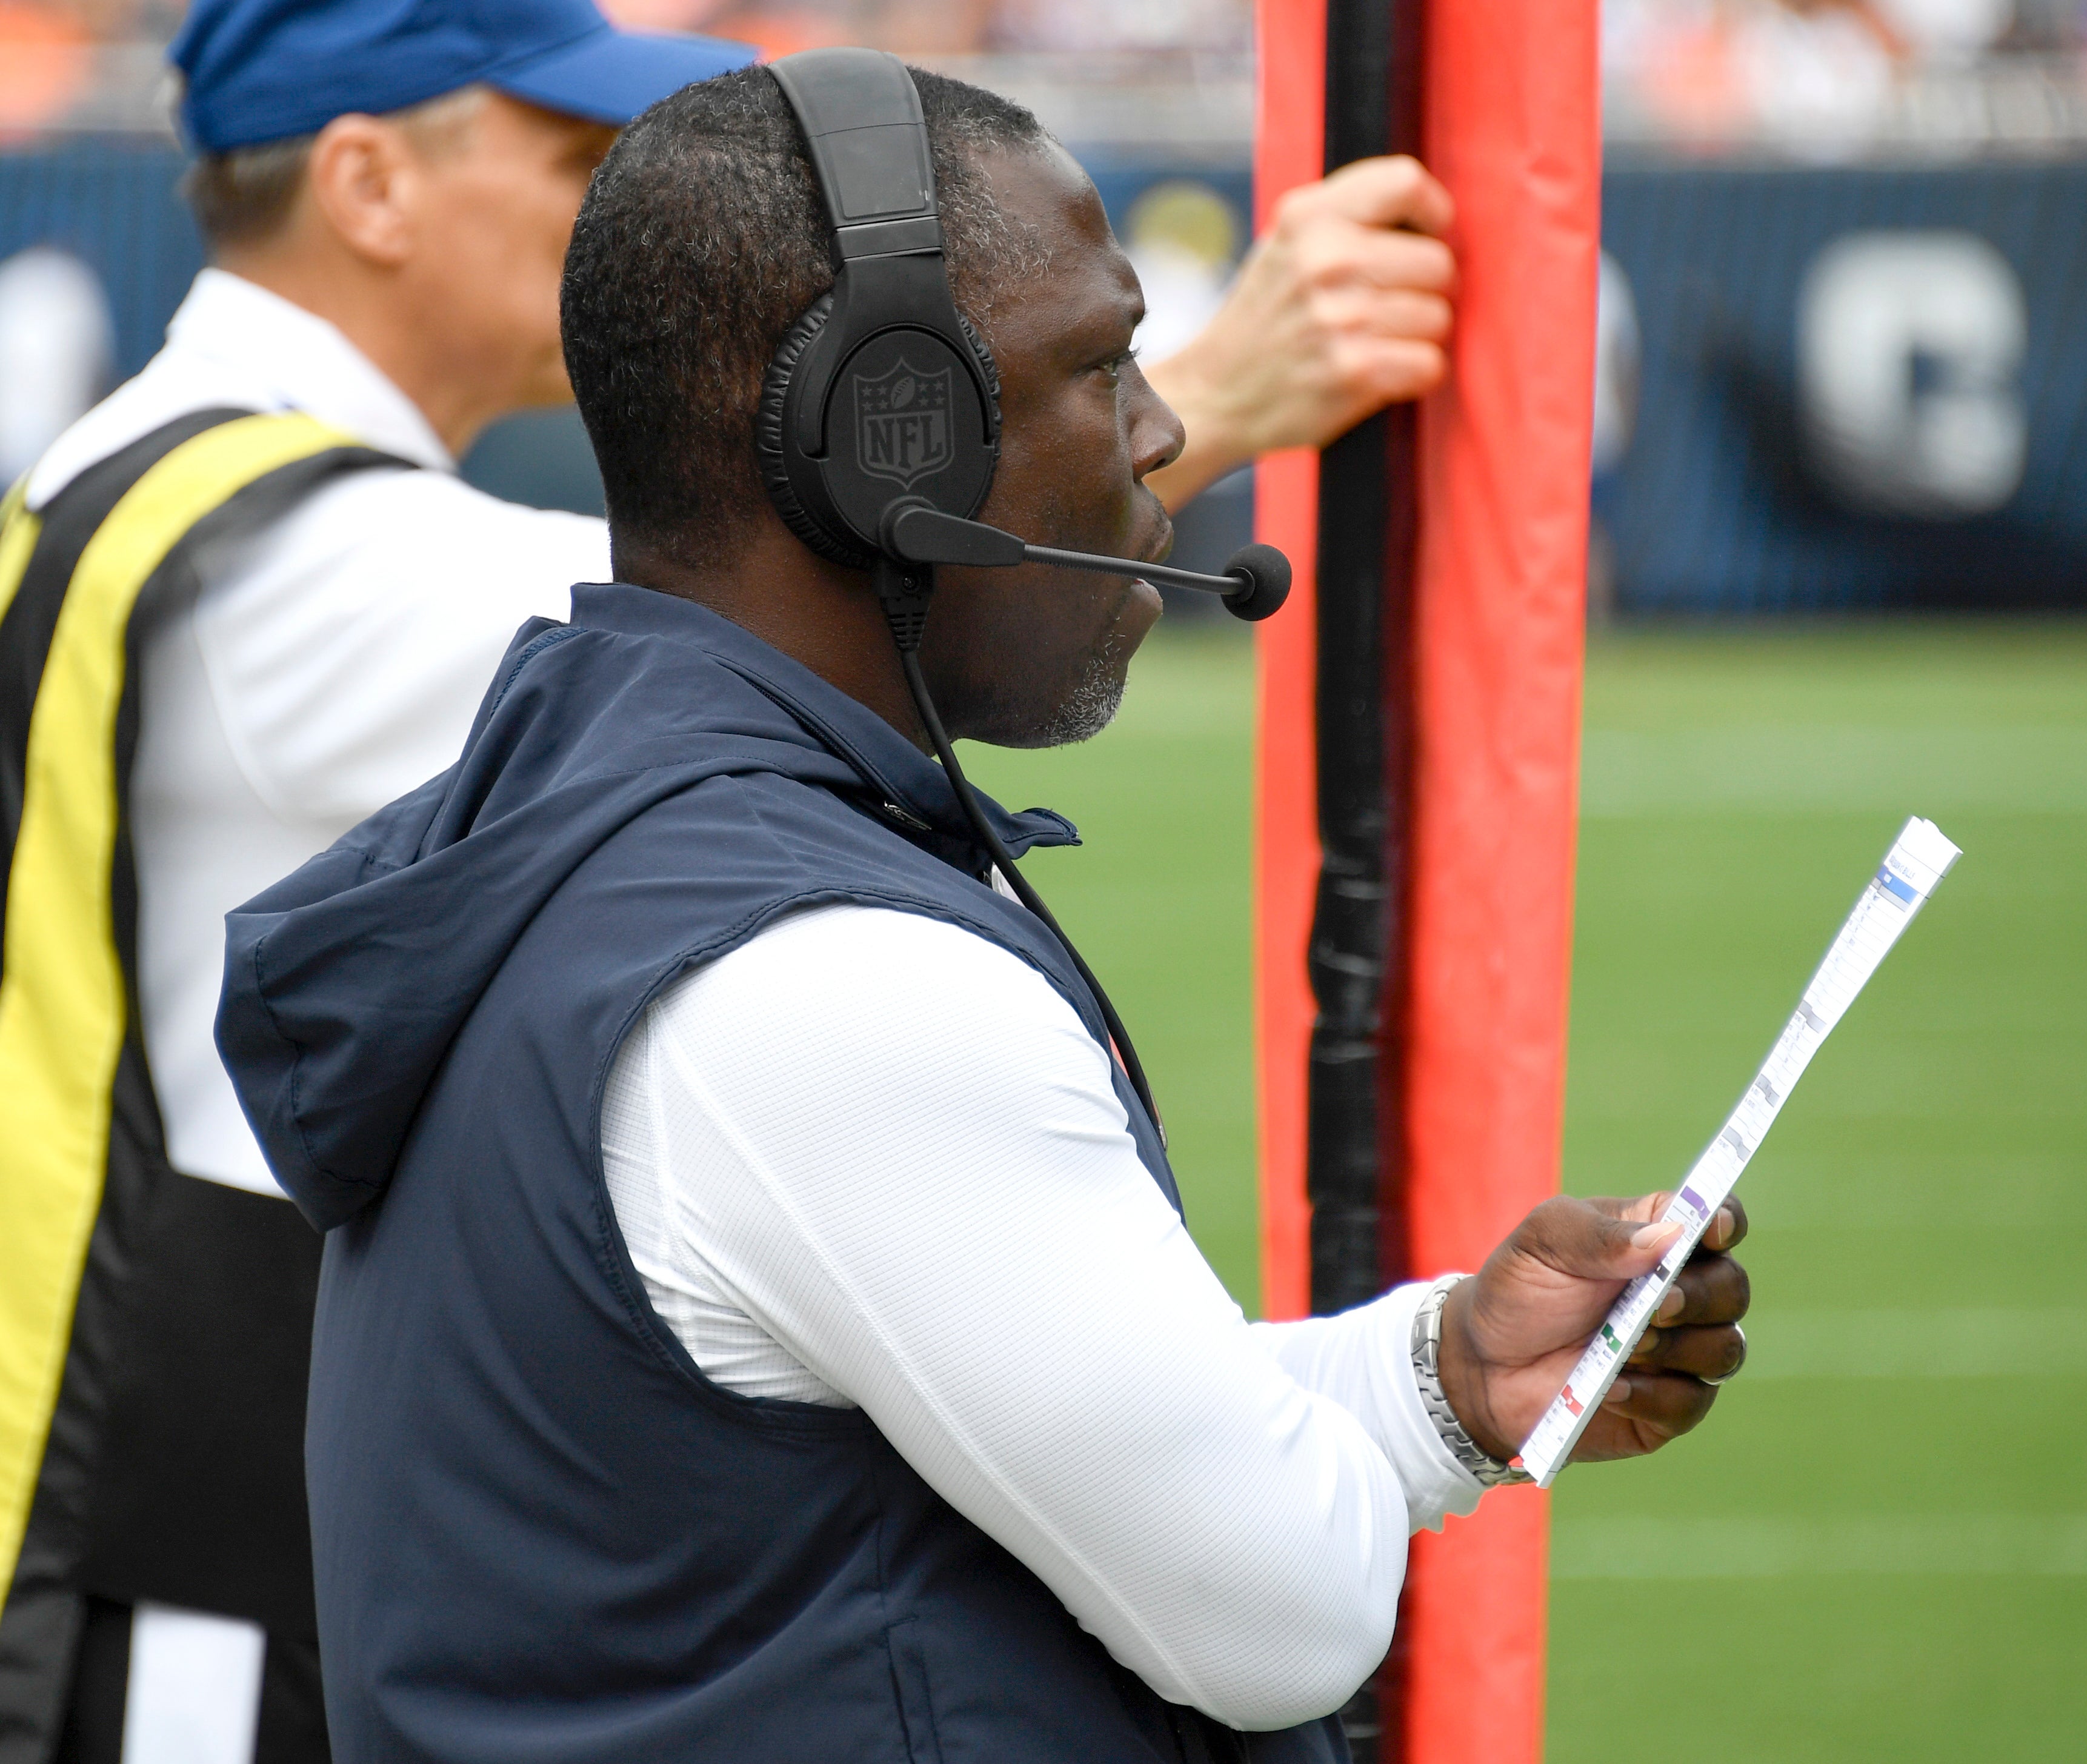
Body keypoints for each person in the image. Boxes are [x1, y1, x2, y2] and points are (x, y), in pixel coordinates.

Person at [215, 59, 1753, 1764]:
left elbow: (995, 1462)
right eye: (1102, 367)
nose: (1165, 433)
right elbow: (1284, 1613)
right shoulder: (820, 980)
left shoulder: (603, 831)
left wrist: (1440, 1385)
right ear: (893, 448)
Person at [0, 4, 1454, 1762]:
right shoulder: (285, 545)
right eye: (559, 151)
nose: (603, 193)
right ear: (367, 179)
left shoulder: (162, 478)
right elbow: (757, 575)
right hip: (198, 1576)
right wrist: (1216, 386)